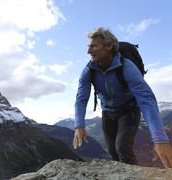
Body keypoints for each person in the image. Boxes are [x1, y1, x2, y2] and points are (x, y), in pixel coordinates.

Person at [72, 27, 172, 168]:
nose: (88, 51)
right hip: (107, 112)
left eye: (94, 46)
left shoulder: (126, 67)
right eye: (88, 46)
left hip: (129, 110)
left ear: (109, 46)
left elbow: (146, 100)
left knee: (122, 148)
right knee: (113, 151)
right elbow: (81, 98)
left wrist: (160, 138)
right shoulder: (89, 70)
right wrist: (79, 125)